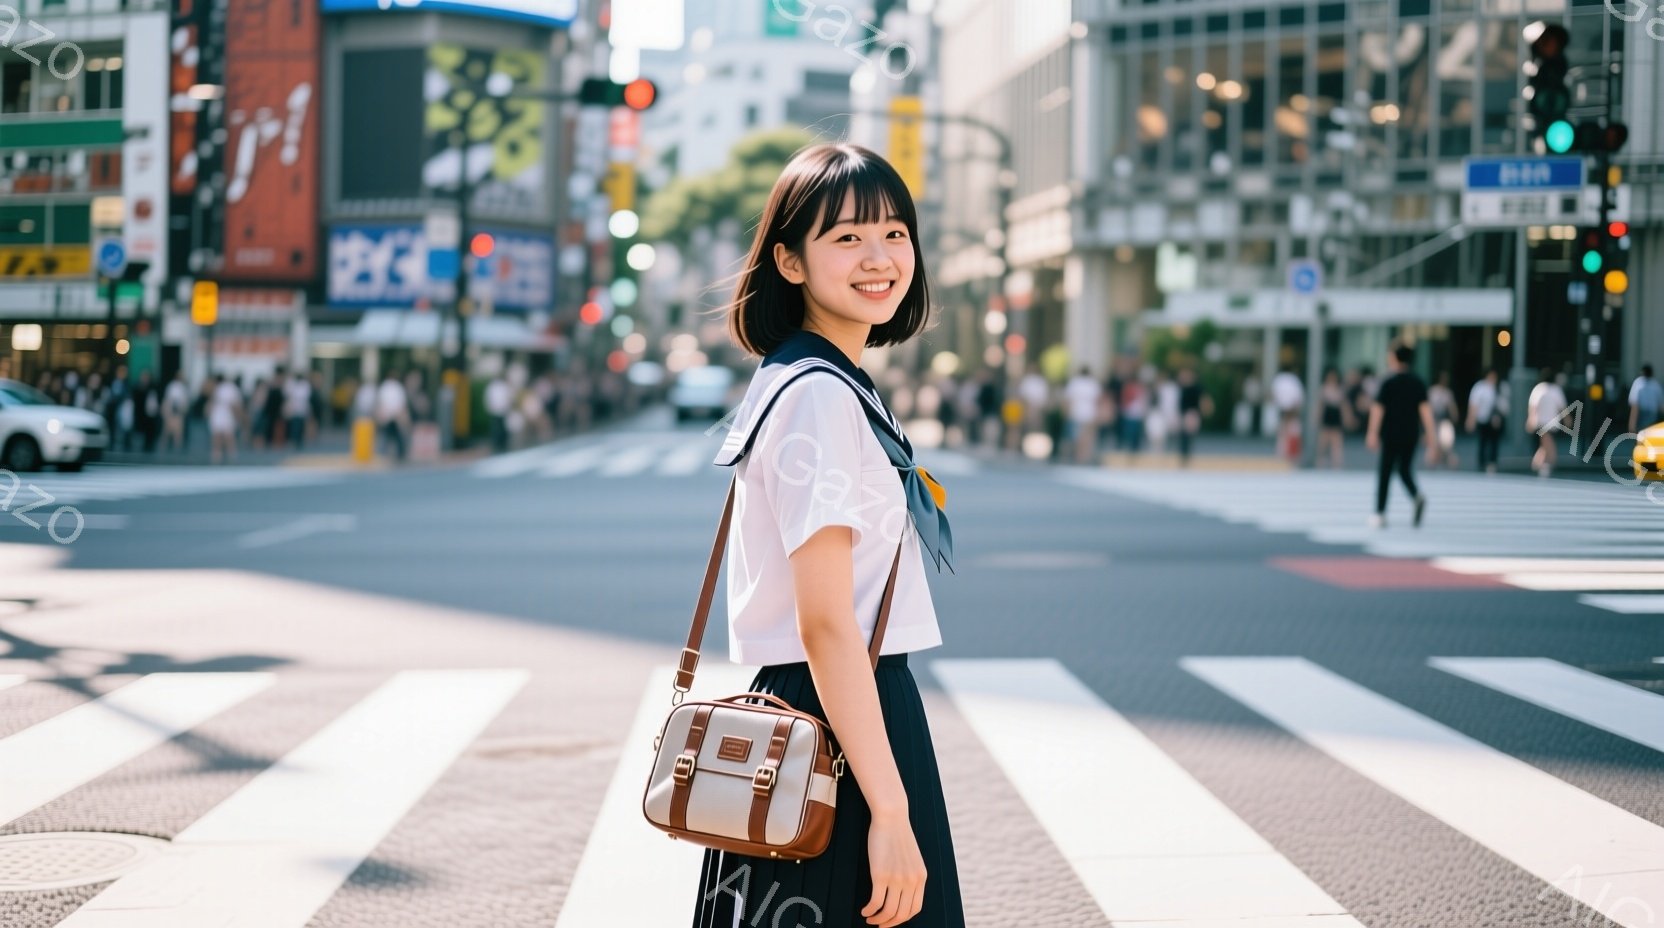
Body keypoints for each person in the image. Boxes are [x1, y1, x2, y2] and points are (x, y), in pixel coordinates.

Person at [691, 142, 963, 928]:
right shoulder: (816, 397)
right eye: (846, 238)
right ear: (790, 261)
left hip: (829, 713)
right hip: (835, 723)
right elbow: (826, 621)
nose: (879, 257)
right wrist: (888, 810)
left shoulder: (818, 380)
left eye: (895, 233)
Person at [1365, 343, 1435, 528]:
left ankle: (1380, 513)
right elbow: (1426, 412)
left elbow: (1378, 410)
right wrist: (1431, 437)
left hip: (1390, 433)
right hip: (1411, 433)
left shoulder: (1388, 382)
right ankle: (1416, 496)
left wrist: (1372, 433)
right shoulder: (1417, 382)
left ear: (1395, 358)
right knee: (1404, 469)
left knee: (1385, 472)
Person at [1527, 368, 1568, 478]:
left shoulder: (1538, 389)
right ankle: (1545, 466)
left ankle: (1538, 465)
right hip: (1552, 424)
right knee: (1549, 447)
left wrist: (1530, 420)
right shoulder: (1556, 390)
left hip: (1540, 422)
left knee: (1545, 446)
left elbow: (1533, 407)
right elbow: (1562, 408)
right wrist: (1568, 420)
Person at [1465, 367, 1506, 474]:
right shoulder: (1480, 387)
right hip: (1483, 419)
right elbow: (1474, 404)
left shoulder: (1500, 387)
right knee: (1483, 440)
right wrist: (1471, 419)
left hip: (1496, 419)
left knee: (1494, 441)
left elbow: (1504, 405)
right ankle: (1482, 462)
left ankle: (1493, 462)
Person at [1063, 365, 1103, 464]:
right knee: (1087, 436)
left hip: (1076, 412)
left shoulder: (1074, 383)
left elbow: (1068, 399)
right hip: (1089, 413)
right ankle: (1084, 456)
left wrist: (1067, 412)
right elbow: (1098, 400)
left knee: (1076, 436)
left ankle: (1077, 455)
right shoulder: (1093, 384)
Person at [1176, 366, 1212, 466]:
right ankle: (1184, 456)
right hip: (1184, 414)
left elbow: (1204, 399)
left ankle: (1186, 456)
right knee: (1184, 435)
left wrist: (1205, 410)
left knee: (1187, 435)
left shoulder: (1197, 387)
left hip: (1192, 413)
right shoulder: (1181, 387)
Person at [1317, 367, 1351, 468]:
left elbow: (1344, 405)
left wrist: (1347, 417)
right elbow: (1320, 404)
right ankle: (1320, 461)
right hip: (1327, 415)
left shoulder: (1340, 389)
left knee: (1337, 440)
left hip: (1335, 416)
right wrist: (1317, 416)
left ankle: (1336, 463)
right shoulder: (1324, 389)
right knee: (1323, 440)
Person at [207, 374, 243, 465]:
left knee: (219, 439)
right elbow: (235, 404)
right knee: (228, 438)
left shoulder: (219, 388)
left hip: (221, 415)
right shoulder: (230, 388)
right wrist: (239, 417)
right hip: (225, 416)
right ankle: (231, 458)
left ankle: (217, 459)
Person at [1270, 364, 1304, 461]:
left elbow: (1273, 395)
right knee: (1291, 432)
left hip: (1283, 409)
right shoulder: (1294, 380)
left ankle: (1282, 455)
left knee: (1283, 433)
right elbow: (1298, 398)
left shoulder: (1279, 379)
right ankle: (1291, 455)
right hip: (1291, 409)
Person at [375, 371, 410, 461]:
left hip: (388, 414)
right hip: (395, 414)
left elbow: (380, 402)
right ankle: (399, 452)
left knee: (387, 434)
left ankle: (383, 452)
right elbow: (402, 403)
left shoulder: (385, 387)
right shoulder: (397, 387)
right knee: (395, 434)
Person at [1629, 363, 1663, 434]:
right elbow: (1661, 405)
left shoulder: (1638, 383)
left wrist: (1632, 423)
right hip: (1651, 414)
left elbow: (1634, 404)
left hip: (1642, 413)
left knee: (1641, 435)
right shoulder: (1655, 385)